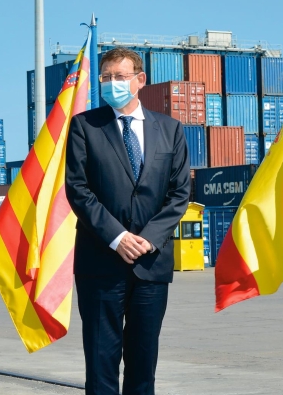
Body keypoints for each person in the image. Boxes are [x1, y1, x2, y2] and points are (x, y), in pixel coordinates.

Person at [65, 47, 190, 395]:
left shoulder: (170, 130)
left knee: (143, 367)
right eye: (106, 78)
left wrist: (148, 239)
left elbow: (179, 194)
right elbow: (78, 190)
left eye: (120, 77)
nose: (112, 84)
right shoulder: (85, 127)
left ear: (140, 80)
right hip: (100, 266)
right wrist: (118, 238)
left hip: (151, 266)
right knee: (101, 367)